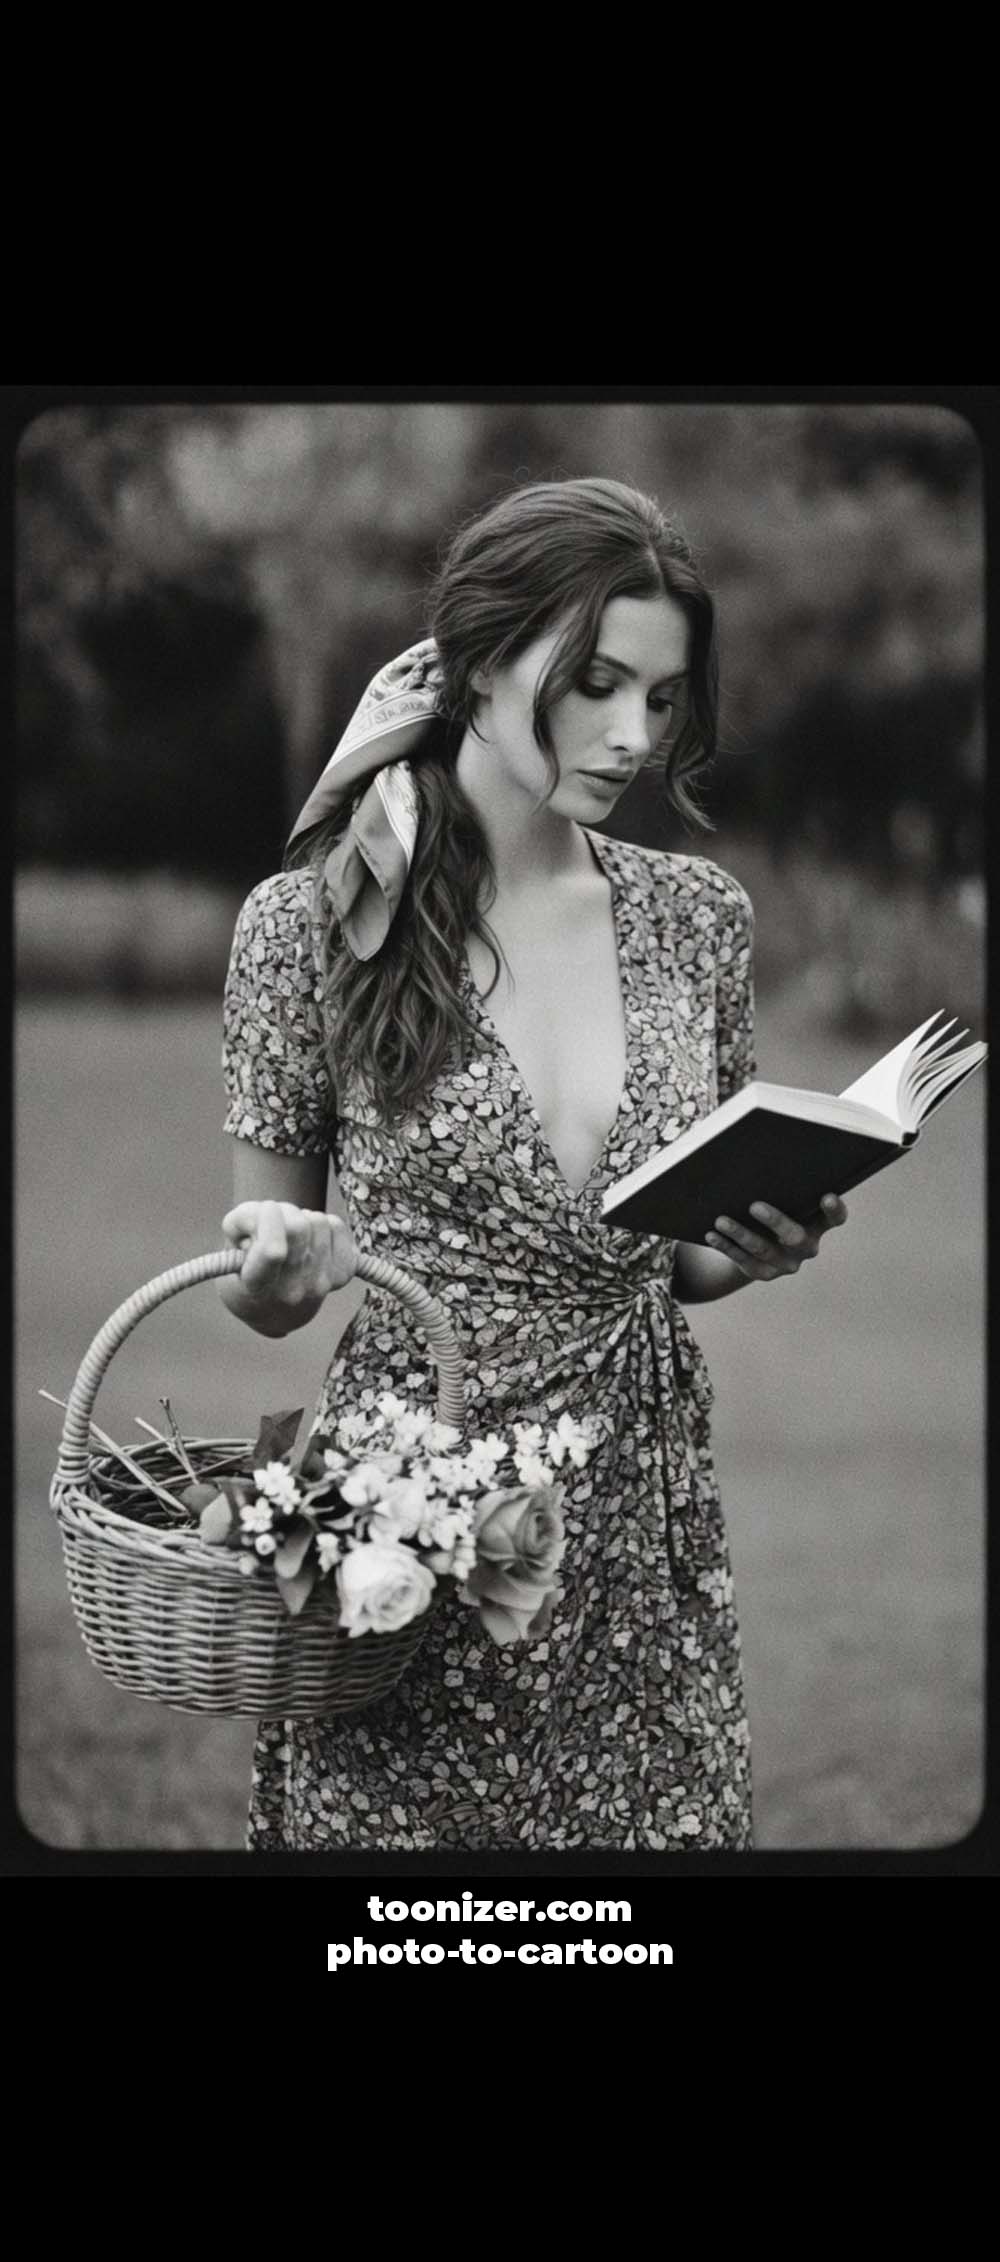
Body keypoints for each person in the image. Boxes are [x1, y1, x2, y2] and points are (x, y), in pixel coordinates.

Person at [219, 475, 848, 1852]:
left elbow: (673, 1255)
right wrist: (280, 1266)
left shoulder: (698, 920)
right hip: (411, 1535)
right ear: (478, 660)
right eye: (596, 683)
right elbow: (263, 1282)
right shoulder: (307, 928)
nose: (634, 734)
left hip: (644, 1535)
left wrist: (751, 1243)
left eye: (664, 698)